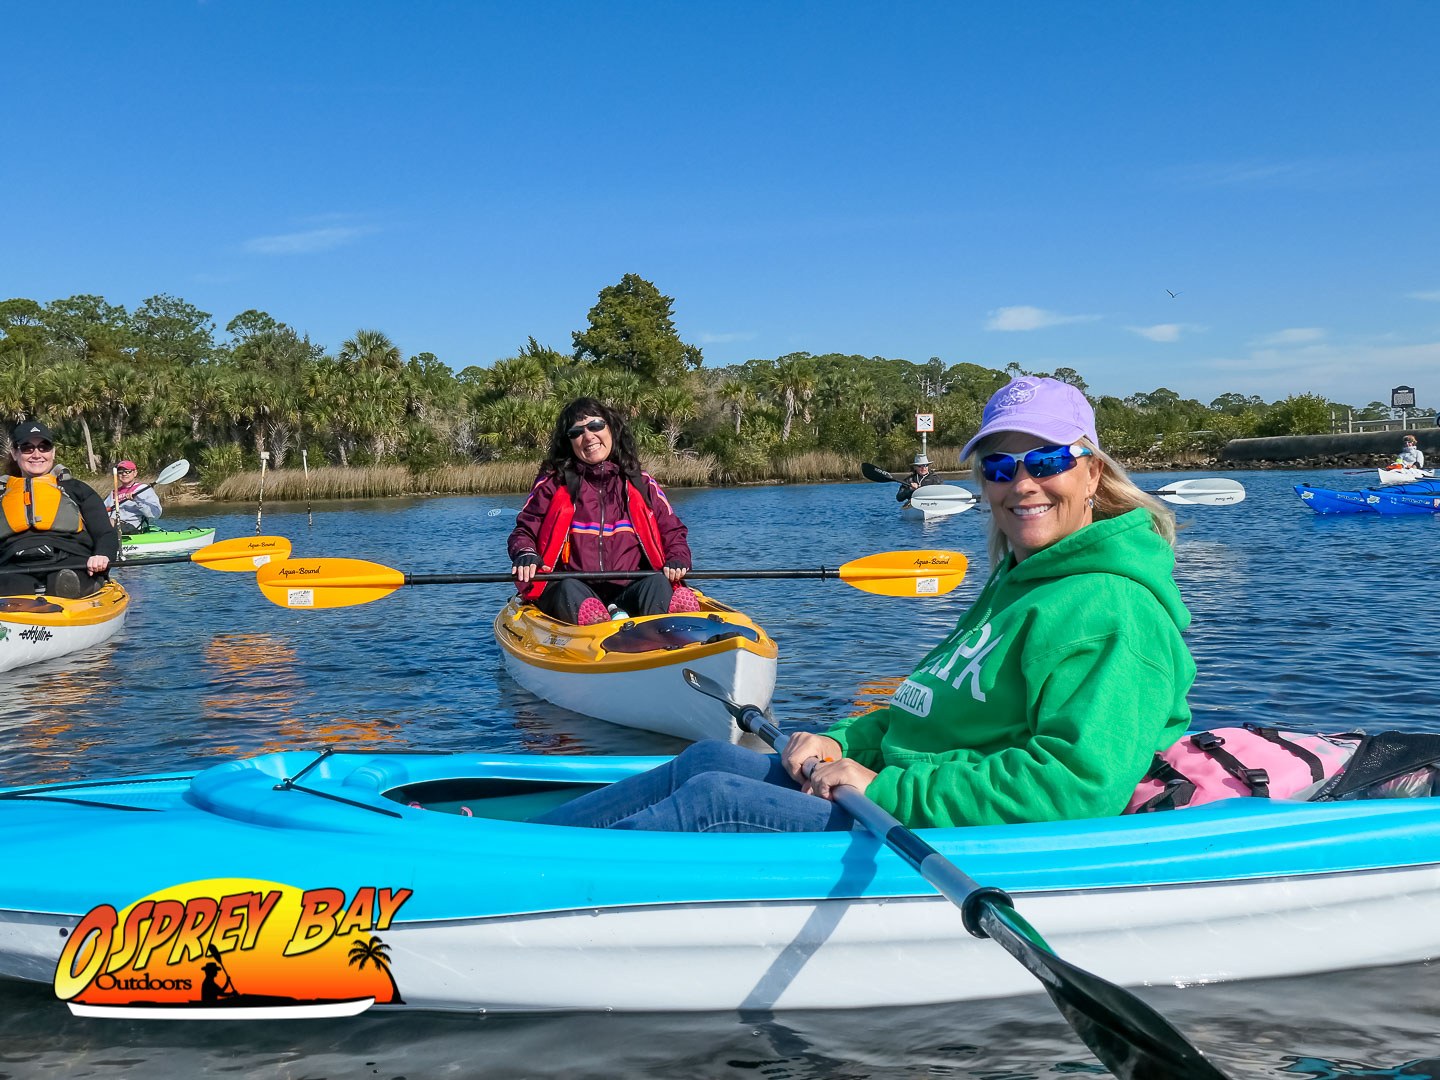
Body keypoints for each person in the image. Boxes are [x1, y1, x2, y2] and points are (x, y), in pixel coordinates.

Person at [534, 376, 1195, 832]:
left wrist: (882, 787)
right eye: (999, 467)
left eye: (1045, 461)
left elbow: (1073, 786)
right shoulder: (1017, 582)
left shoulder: (1113, 608)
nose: (1021, 483)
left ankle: (529, 879)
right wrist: (841, 740)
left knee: (715, 800)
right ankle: (525, 843)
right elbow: (923, 716)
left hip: (946, 824)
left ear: (1092, 472)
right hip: (898, 790)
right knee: (707, 760)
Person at [509, 398, 696, 626]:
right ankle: (595, 626)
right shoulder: (552, 484)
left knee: (657, 582)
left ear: (612, 429)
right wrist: (525, 553)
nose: (588, 437)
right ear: (569, 442)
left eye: (595, 426)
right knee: (568, 587)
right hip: (572, 593)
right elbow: (524, 531)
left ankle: (672, 631)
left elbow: (673, 532)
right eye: (576, 432)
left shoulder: (642, 484)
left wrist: (677, 558)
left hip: (629, 590)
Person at [0, 420, 118, 599]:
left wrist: (102, 555)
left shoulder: (76, 489)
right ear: (15, 453)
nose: (37, 454)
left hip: (70, 560)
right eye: (27, 448)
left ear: (53, 452)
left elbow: (105, 532)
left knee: (64, 580)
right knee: (14, 589)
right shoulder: (3, 493)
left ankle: (73, 596)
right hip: (13, 564)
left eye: (44, 447)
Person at [103, 459, 164, 534]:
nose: (124, 474)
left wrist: (137, 500)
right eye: (120, 472)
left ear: (135, 473)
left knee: (108, 523)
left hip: (134, 527)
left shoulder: (143, 489)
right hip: (114, 526)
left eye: (127, 471)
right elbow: (103, 511)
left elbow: (156, 514)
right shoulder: (113, 493)